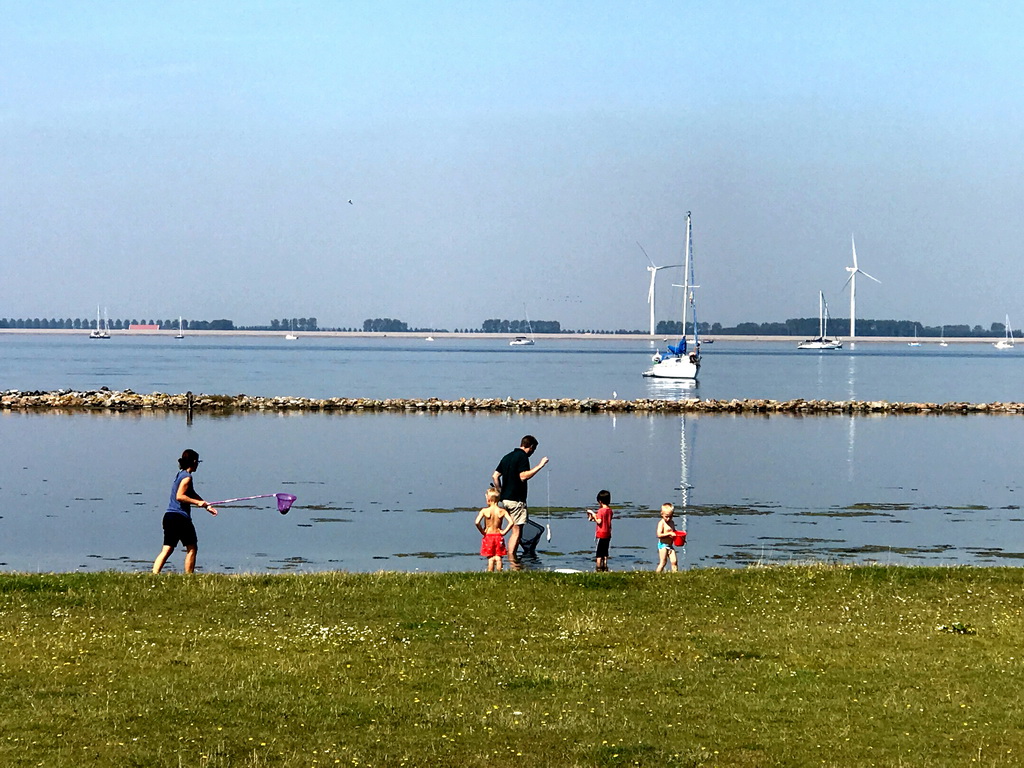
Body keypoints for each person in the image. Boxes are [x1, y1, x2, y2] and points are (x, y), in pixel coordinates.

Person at [152, 449, 217, 574]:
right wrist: (198, 503)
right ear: (193, 462)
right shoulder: (187, 477)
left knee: (167, 549)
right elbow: (180, 496)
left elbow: (190, 493)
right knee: (192, 548)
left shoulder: (180, 474)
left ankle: (154, 574)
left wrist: (206, 505)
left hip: (169, 517)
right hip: (180, 518)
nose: (198, 464)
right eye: (197, 462)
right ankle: (189, 577)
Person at [492, 435, 549, 560]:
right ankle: (512, 560)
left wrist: (500, 491)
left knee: (506, 529)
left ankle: (499, 556)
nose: (533, 453)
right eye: (534, 450)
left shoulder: (507, 457)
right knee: (516, 531)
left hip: (505, 500)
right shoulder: (522, 457)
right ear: (531, 447)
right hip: (516, 500)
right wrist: (540, 465)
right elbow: (523, 476)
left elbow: (495, 476)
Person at [475, 488, 513, 571]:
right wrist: (504, 532)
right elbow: (511, 522)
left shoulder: (485, 511)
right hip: (498, 535)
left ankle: (490, 572)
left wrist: (482, 531)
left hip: (488, 535)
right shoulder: (502, 511)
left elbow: (477, 522)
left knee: (491, 557)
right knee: (498, 557)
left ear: (488, 499)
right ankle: (499, 572)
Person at [585, 489, 613, 571]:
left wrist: (593, 513)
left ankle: (598, 568)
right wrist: (593, 517)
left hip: (601, 534)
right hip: (608, 533)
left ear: (600, 501)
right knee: (605, 552)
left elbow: (599, 521)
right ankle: (605, 566)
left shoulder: (601, 511)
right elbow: (603, 520)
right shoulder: (610, 511)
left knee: (599, 553)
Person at [655, 502, 679, 573]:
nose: (668, 519)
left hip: (670, 545)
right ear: (662, 514)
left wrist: (677, 535)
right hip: (663, 545)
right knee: (663, 562)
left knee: (674, 561)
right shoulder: (661, 523)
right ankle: (657, 574)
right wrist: (669, 533)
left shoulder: (672, 523)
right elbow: (659, 535)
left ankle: (675, 575)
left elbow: (674, 531)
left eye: (670, 516)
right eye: (666, 516)